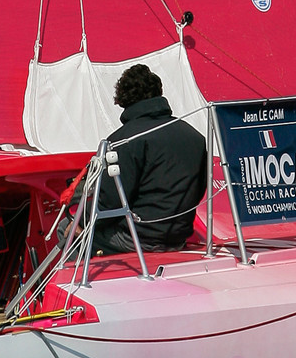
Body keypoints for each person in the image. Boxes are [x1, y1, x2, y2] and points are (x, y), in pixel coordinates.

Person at [89, 65, 208, 257]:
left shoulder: (123, 140)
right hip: (177, 237)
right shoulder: (195, 137)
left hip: (138, 238)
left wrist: (78, 222)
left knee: (67, 231)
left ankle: (67, 285)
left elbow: (110, 202)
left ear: (123, 99)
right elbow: (200, 187)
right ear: (158, 93)